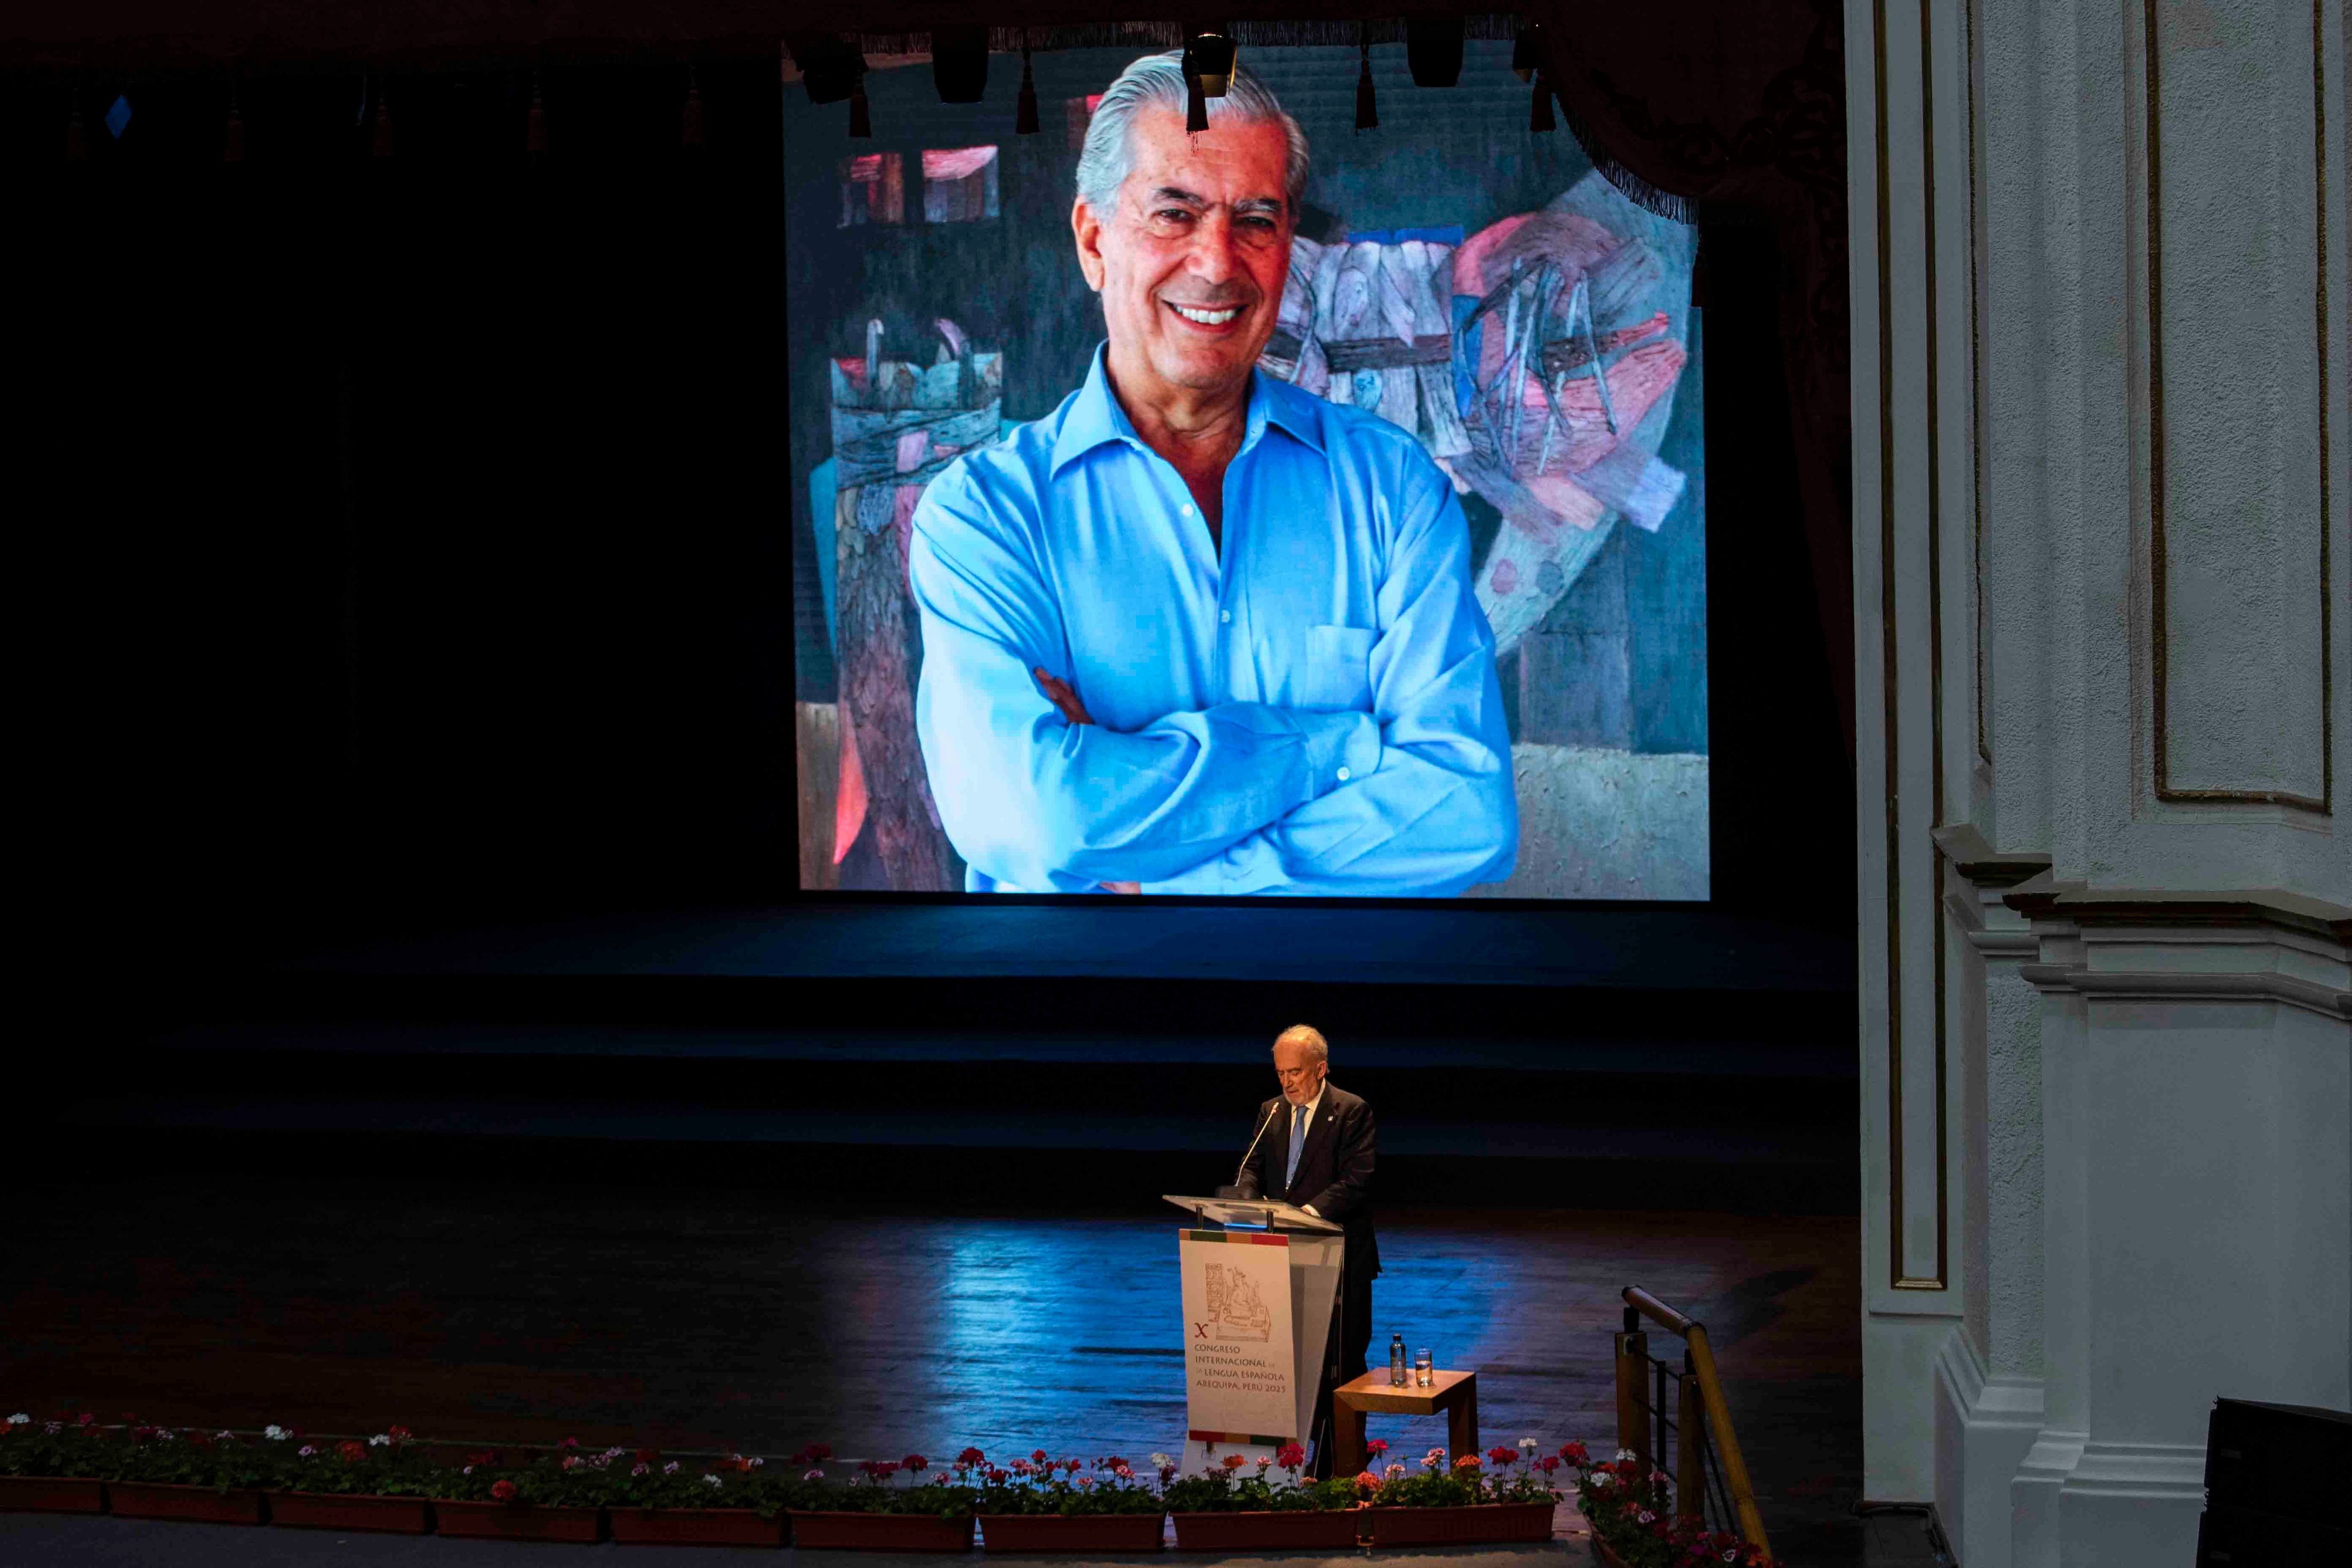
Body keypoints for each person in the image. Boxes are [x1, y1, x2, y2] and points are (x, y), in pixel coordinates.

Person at [908, 50, 1518, 896]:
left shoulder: (1394, 492)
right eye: (1175, 213)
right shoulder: (986, 517)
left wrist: (1153, 870)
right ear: (1093, 241)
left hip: (1330, 1022)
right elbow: (1040, 822)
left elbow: (1466, 815)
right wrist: (1336, 745)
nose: (1218, 261)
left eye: (1257, 220)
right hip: (1079, 1017)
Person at [1232, 1024, 1375, 1475]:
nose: (1287, 1082)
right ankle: (1301, 1459)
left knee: (1341, 1364)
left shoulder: (1351, 1111)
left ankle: (1342, 1460)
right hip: (1283, 1260)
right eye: (1280, 1074)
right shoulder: (1270, 1112)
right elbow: (1251, 1168)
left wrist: (1309, 1213)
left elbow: (1358, 1181)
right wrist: (1247, 1199)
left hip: (1340, 1261)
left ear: (1321, 1069)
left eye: (1295, 1072)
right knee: (1294, 1367)